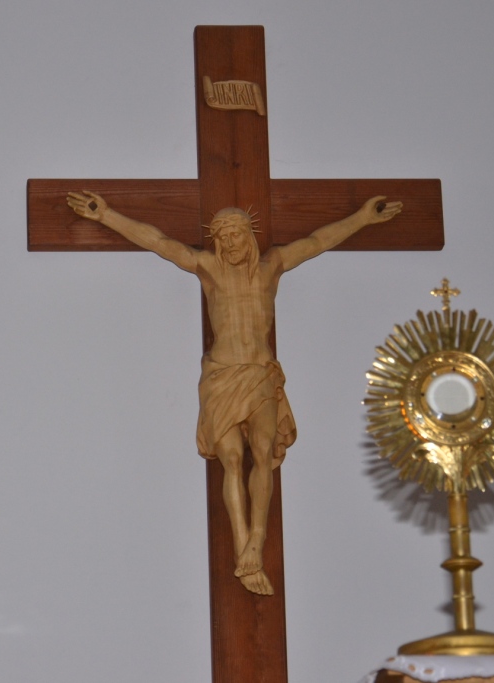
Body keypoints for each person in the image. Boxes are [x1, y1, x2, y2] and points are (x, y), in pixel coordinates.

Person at [66, 191, 402, 594]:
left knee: (262, 451)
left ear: (250, 234)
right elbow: (159, 242)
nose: (229, 243)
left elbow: (317, 242)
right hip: (223, 375)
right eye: (222, 237)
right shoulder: (208, 268)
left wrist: (363, 218)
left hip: (259, 373)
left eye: (236, 234)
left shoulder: (272, 266)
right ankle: (244, 546)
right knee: (231, 458)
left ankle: (255, 542)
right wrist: (106, 215)